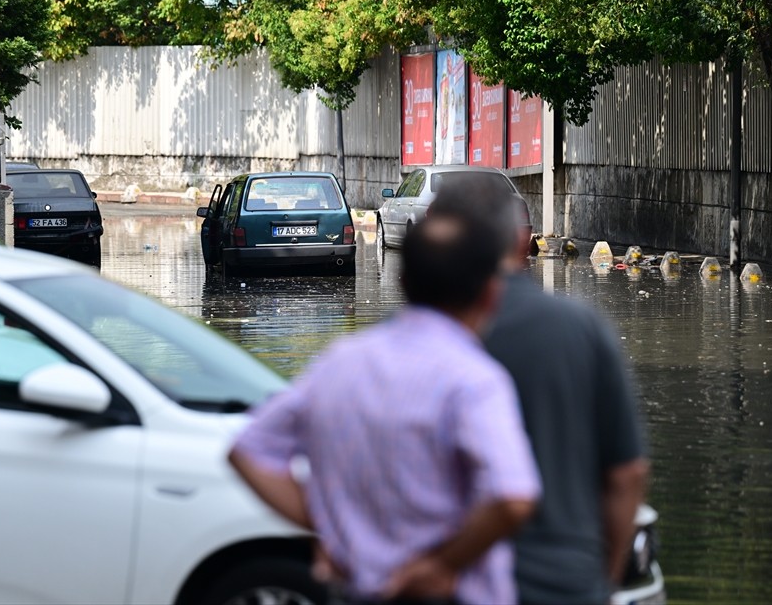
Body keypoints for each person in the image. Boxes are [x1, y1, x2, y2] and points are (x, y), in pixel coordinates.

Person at [228, 208, 542, 605]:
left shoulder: (340, 362)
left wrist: (332, 528)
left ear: (403, 281)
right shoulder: (474, 380)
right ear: (491, 293)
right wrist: (441, 564)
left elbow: (248, 450)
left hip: (357, 590)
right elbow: (513, 498)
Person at [432, 176, 650, 605]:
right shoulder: (581, 330)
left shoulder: (403, 345)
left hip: (447, 584)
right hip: (565, 585)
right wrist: (599, 580)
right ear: (523, 241)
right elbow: (628, 475)